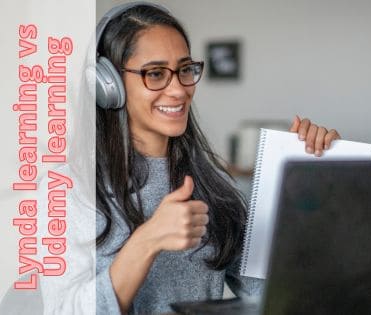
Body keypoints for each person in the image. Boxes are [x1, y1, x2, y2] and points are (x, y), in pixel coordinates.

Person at [95, 2, 341, 314]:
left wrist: (316, 184)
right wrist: (147, 240)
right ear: (108, 85)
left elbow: (273, 295)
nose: (179, 90)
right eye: (155, 74)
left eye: (185, 70)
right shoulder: (70, 189)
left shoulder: (212, 184)